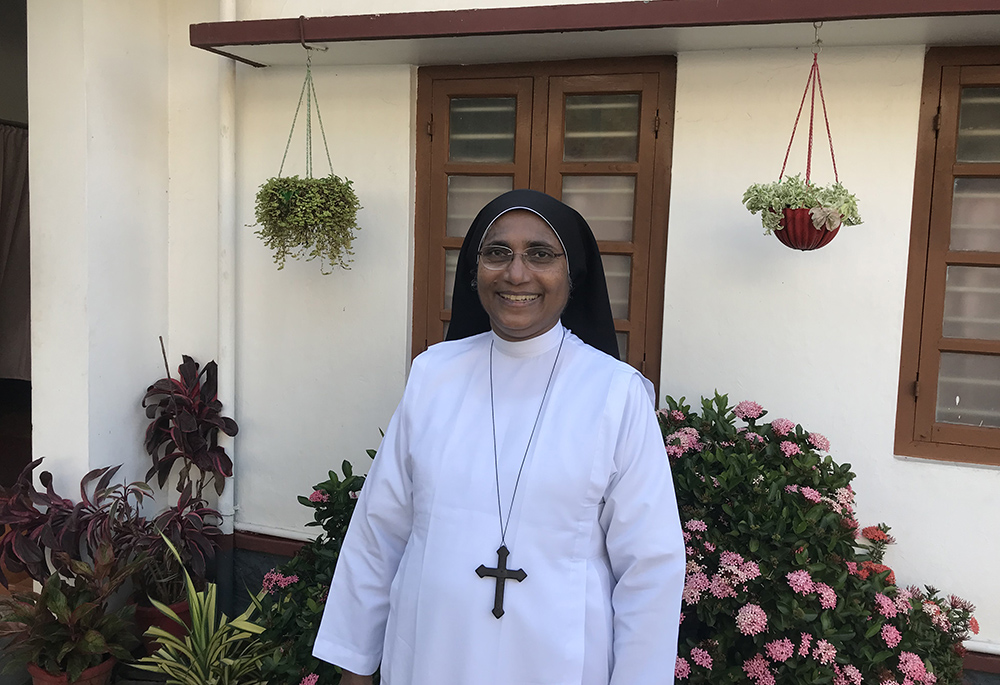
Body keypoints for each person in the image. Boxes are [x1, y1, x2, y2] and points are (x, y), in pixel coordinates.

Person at [313, 190, 685, 685]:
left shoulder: (617, 395)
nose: (516, 274)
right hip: (430, 650)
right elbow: (379, 532)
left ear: (573, 276)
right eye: (497, 253)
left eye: (541, 254)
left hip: (560, 660)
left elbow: (651, 566)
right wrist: (355, 665)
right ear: (474, 271)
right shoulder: (433, 375)